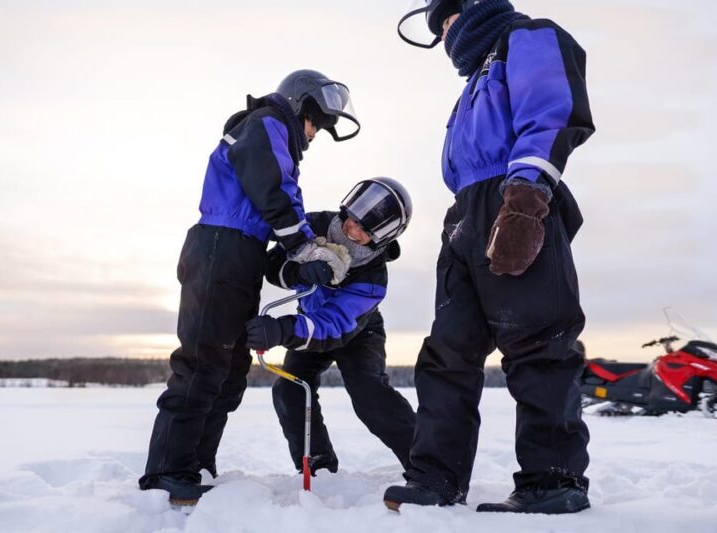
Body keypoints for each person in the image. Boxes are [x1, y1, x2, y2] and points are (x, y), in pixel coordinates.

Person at [384, 0, 595, 514]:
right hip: (465, 216)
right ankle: (437, 476)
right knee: (447, 352)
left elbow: (550, 109)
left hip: (516, 198)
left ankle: (552, 481)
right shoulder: (471, 83)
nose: (446, 34)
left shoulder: (525, 39)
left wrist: (526, 203)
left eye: (449, 20)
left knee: (539, 341)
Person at [139, 69, 361, 505]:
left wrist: (302, 261)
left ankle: (197, 463)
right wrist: (303, 246)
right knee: (203, 361)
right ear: (301, 106)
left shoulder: (276, 138)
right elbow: (272, 190)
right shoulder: (265, 126)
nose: (314, 136)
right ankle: (167, 469)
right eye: (316, 124)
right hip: (219, 247)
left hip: (240, 252)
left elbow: (280, 197)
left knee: (229, 368)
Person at [245, 178, 416, 476]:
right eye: (353, 221)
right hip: (310, 323)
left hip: (357, 332)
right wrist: (298, 271)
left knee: (370, 397)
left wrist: (282, 331)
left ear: (382, 237)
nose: (353, 231)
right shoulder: (314, 226)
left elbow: (334, 326)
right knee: (289, 389)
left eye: (364, 231)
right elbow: (273, 266)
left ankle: (426, 465)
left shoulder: (372, 279)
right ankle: (319, 467)